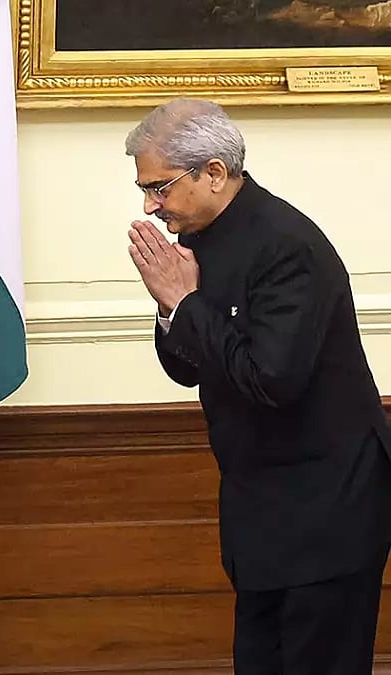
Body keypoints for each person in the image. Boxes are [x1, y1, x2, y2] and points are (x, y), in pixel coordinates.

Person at [124, 98, 391, 674]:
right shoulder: (199, 238)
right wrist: (172, 309)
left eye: (159, 188)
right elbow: (188, 368)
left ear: (214, 173)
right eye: (144, 190)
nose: (150, 206)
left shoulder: (287, 247)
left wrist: (185, 303)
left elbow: (272, 380)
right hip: (260, 512)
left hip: (326, 512)